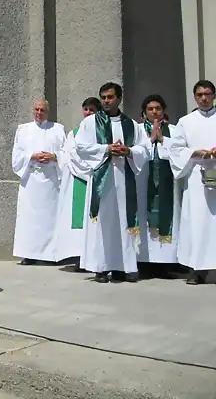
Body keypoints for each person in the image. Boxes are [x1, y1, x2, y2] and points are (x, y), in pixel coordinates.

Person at [74, 82, 149, 283]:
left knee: (123, 222)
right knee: (103, 223)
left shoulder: (131, 124)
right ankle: (100, 268)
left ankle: (121, 267)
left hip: (124, 180)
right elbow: (80, 146)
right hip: (103, 180)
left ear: (119, 98)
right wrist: (107, 149)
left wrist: (129, 151)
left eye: (110, 97)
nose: (106, 101)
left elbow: (145, 149)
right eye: (103, 97)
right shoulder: (90, 123)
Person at [168, 80, 216, 285]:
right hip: (197, 178)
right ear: (194, 96)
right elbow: (176, 150)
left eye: (207, 94)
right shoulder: (185, 122)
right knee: (198, 224)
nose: (204, 98)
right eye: (199, 95)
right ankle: (198, 269)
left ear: (214, 95)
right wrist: (194, 152)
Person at [11, 99, 66, 265]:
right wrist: (32, 156)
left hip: (50, 181)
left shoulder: (57, 129)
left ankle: (51, 255)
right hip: (31, 181)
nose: (39, 113)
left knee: (50, 219)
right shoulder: (23, 130)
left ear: (47, 112)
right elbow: (17, 155)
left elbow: (65, 152)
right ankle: (29, 254)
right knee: (29, 219)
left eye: (42, 110)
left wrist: (54, 156)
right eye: (36, 109)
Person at [52, 97, 101, 268]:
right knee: (77, 220)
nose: (88, 112)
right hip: (77, 180)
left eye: (92, 110)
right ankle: (78, 257)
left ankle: (94, 258)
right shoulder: (73, 133)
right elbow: (69, 155)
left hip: (96, 179)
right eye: (85, 109)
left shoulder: (101, 131)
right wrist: (86, 169)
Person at [136, 95, 180, 278]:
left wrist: (162, 139)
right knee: (142, 217)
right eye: (150, 109)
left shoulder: (175, 130)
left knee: (166, 216)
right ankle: (143, 261)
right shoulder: (137, 130)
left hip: (166, 183)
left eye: (158, 108)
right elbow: (134, 151)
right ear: (144, 112)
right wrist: (149, 141)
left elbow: (179, 152)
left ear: (163, 110)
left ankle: (164, 264)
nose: (154, 112)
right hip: (142, 183)